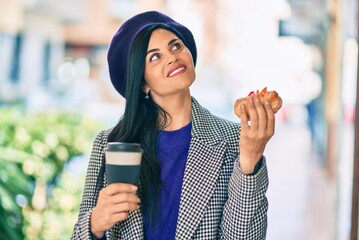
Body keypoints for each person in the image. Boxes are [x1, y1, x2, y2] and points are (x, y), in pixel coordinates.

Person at [71, 10, 275, 240]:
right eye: (154, 57)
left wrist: (249, 161)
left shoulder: (232, 139)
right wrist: (95, 223)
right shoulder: (110, 144)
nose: (172, 57)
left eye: (176, 46)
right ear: (142, 84)